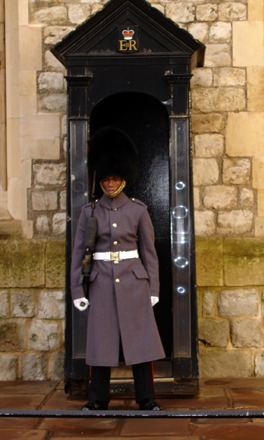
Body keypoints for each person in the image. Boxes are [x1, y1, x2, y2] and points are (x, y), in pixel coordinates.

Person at [71, 126, 165, 411]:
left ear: (123, 179)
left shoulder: (138, 210)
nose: (110, 184)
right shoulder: (90, 212)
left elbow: (149, 253)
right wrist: (77, 289)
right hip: (100, 281)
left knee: (140, 342)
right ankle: (98, 398)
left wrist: (153, 287)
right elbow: (78, 253)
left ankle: (147, 398)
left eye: (114, 179)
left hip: (134, 282)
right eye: (106, 179)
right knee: (101, 341)